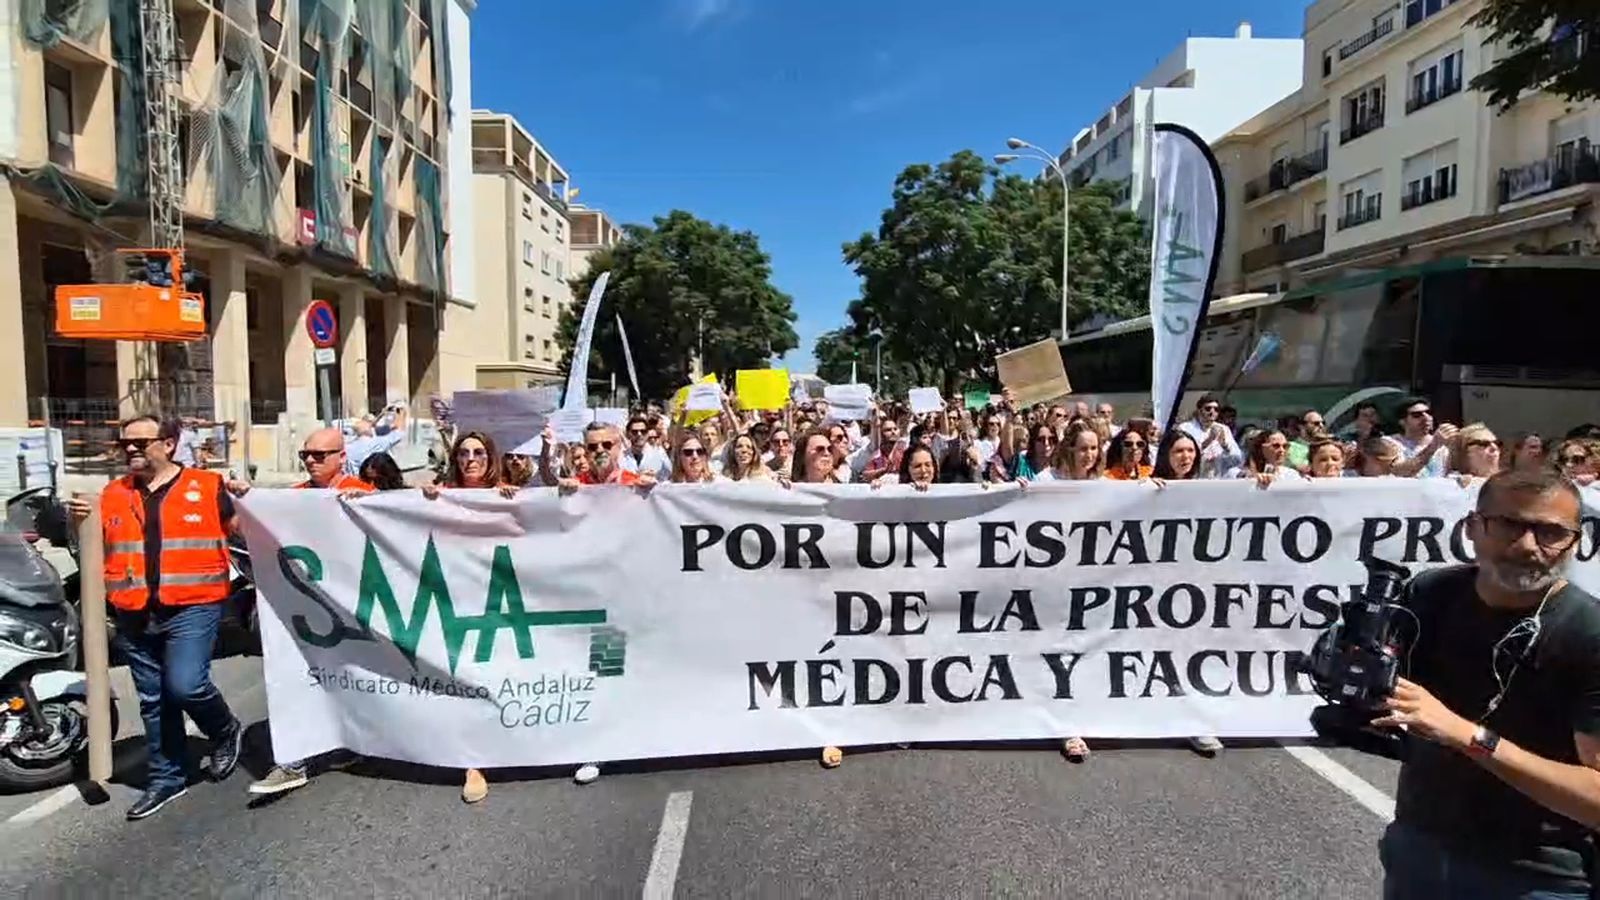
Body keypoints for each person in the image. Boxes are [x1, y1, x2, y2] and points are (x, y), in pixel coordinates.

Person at [1374, 469, 1600, 899]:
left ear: (1574, 542)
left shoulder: (1588, 632)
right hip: (1418, 849)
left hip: (1536, 876)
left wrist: (1471, 737)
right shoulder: (1430, 592)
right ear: (1472, 527)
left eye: (1551, 532)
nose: (1528, 545)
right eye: (1510, 525)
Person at [66, 415, 244, 820]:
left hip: (193, 606)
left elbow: (244, 530)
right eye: (124, 443)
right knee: (154, 699)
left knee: (186, 685)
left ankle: (224, 729)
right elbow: (90, 548)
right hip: (134, 613)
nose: (130, 449)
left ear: (168, 444)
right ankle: (167, 778)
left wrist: (251, 500)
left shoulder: (209, 486)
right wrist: (78, 520)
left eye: (140, 442)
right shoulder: (111, 494)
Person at [245, 429, 375, 798]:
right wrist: (244, 500)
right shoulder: (294, 497)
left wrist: (366, 506)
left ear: (341, 456)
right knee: (293, 677)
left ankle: (355, 738)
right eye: (306, 455)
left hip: (354, 610)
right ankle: (293, 761)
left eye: (320, 455)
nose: (311, 461)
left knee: (349, 678)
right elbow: (245, 527)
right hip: (302, 610)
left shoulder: (363, 493)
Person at [421, 431, 521, 802]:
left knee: (502, 673)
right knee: (467, 676)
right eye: (463, 453)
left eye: (479, 452)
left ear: (490, 457)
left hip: (501, 598)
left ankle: (514, 744)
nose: (471, 459)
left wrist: (520, 500)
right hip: (458, 599)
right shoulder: (440, 494)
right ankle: (473, 763)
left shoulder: (507, 494)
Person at [1386, 397, 1457, 478]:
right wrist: (1433, 446)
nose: (1426, 418)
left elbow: (1450, 473)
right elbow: (1399, 473)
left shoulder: (1444, 443)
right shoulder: (1389, 443)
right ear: (1402, 421)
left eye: (1429, 413)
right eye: (1417, 415)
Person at [1176, 394, 1243, 478]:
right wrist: (1208, 441)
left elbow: (1237, 459)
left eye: (1216, 409)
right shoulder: (1185, 428)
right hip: (1192, 478)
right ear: (1199, 410)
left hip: (1217, 478)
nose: (1212, 412)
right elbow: (1183, 456)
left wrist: (1225, 445)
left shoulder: (1223, 429)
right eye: (1208, 409)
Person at [345, 405, 408, 475]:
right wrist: (402, 413)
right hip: (370, 478)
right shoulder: (375, 443)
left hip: (354, 479)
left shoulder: (348, 447)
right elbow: (399, 433)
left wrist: (382, 413)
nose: (372, 427)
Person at [1236, 429, 1303, 487]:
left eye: (1285, 446)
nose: (1282, 450)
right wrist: (1252, 480)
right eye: (1276, 446)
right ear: (1261, 448)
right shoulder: (1238, 473)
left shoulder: (1291, 475)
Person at [620, 416, 671, 482]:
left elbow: (668, 478)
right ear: (628, 434)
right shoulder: (621, 457)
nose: (639, 434)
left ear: (647, 434)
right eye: (634, 432)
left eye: (643, 431)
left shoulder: (659, 454)